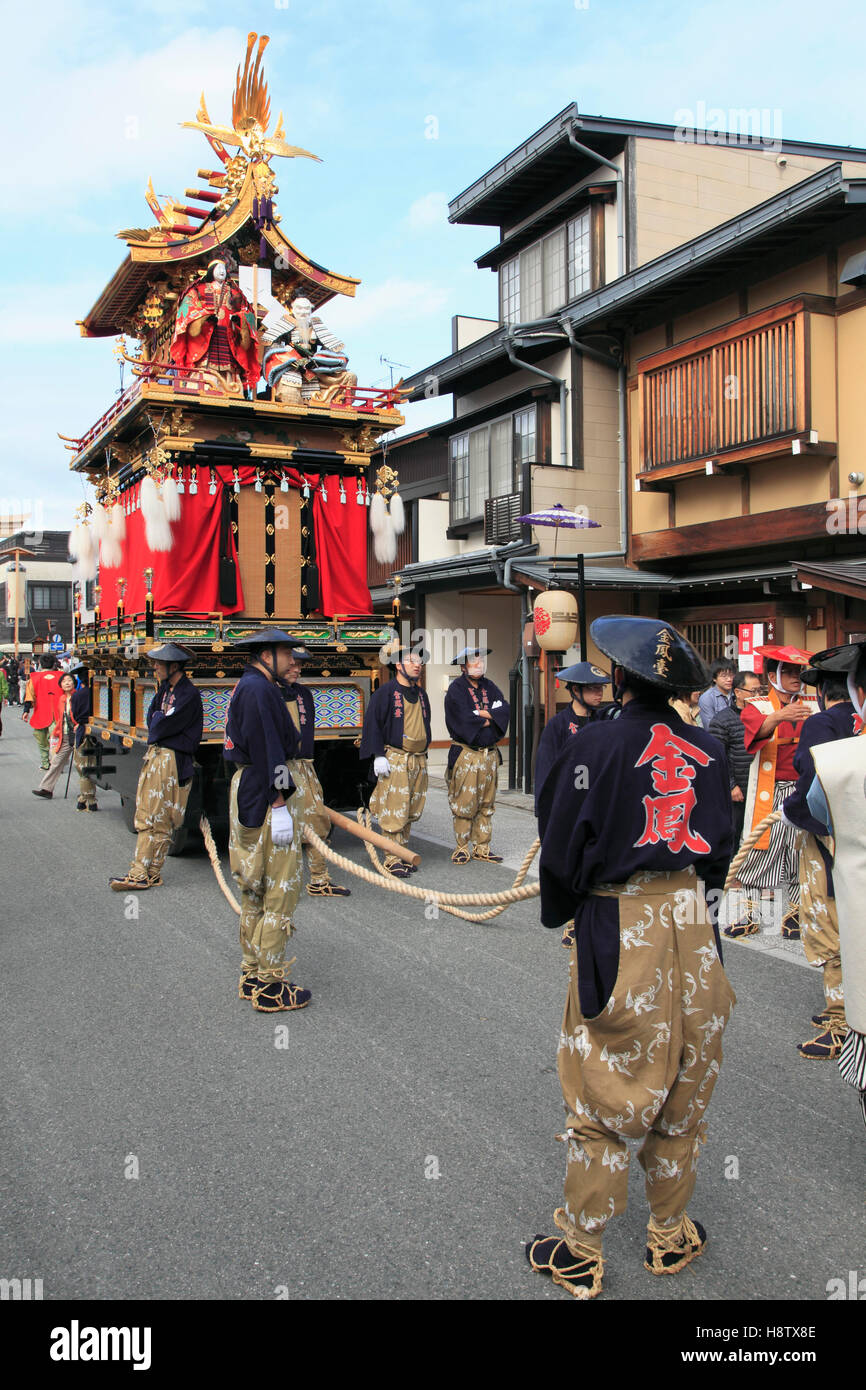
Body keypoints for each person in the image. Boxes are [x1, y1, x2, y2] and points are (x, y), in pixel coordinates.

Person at [527, 616, 735, 1300]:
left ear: (617, 677)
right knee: (684, 1073)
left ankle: (583, 1247)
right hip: (692, 919)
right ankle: (669, 1234)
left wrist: (565, 910)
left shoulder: (595, 744)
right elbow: (723, 845)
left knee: (606, 1080)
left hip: (621, 917)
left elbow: (559, 847)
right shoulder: (706, 746)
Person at [224, 629, 309, 1012]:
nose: (293, 661)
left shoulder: (251, 684)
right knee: (278, 890)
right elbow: (270, 751)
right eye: (286, 653)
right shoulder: (259, 690)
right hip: (264, 790)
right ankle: (270, 986)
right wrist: (279, 805)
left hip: (249, 786)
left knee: (254, 890)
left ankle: (251, 971)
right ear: (266, 654)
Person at [782, 664, 857, 1060]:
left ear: (826, 692)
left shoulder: (824, 724)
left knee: (829, 922)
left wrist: (795, 811)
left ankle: (843, 1021)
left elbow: (813, 779)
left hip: (832, 834)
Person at [807, 641, 866, 1129]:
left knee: (833, 934)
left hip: (852, 878)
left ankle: (839, 1020)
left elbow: (816, 809)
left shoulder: (839, 756)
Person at [724, 645, 817, 940]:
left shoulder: (814, 702)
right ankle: (750, 913)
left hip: (803, 787)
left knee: (799, 851)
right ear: (772, 674)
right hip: (771, 788)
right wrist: (781, 715)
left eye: (797, 671)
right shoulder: (760, 704)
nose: (794, 677)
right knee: (759, 850)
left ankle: (794, 914)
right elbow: (755, 732)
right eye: (787, 671)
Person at [109, 644, 203, 892]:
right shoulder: (166, 690)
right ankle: (146, 872)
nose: (154, 667)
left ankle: (143, 873)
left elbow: (160, 727)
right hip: (160, 756)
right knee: (150, 814)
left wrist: (160, 721)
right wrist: (160, 719)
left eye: (158, 664)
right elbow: (154, 720)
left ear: (174, 666)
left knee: (158, 817)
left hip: (171, 760)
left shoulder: (187, 694)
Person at [280, 644, 350, 897]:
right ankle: (277, 884)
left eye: (300, 665)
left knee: (316, 820)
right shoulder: (266, 693)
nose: (296, 669)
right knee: (277, 827)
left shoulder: (304, 695)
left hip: (304, 766)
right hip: (279, 767)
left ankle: (319, 879)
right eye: (292, 664)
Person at [359, 641, 431, 878]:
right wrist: (379, 755)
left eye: (419, 661)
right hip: (396, 759)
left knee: (410, 809)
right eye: (411, 661)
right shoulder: (385, 693)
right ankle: (391, 857)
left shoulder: (421, 694)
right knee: (394, 809)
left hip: (417, 759)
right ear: (398, 665)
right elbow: (372, 725)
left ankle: (403, 852)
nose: (417, 665)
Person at [444, 647, 510, 864]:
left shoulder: (490, 687)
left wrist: (481, 714)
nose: (479, 665)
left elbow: (504, 710)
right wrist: (491, 715)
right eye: (473, 662)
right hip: (467, 753)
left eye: (480, 662)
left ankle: (482, 846)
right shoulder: (456, 689)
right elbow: (462, 719)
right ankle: (462, 847)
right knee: (465, 802)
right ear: (463, 667)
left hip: (489, 754)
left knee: (486, 803)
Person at [534, 662, 611, 813]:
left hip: (597, 800)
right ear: (576, 690)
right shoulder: (557, 724)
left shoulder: (603, 721)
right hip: (568, 800)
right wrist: (543, 809)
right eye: (593, 688)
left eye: (601, 687)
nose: (599, 693)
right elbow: (545, 767)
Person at [708, 670, 763, 848]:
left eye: (760, 691)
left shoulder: (765, 716)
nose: (757, 695)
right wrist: (731, 785)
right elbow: (718, 756)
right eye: (752, 691)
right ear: (738, 692)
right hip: (737, 789)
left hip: (760, 785)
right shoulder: (722, 720)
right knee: (734, 832)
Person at [31, 671, 79, 798]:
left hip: (79, 733)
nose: (67, 683)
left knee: (82, 764)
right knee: (56, 761)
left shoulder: (78, 697)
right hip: (66, 735)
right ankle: (47, 789)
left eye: (69, 680)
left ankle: (88, 793)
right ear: (61, 685)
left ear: (74, 683)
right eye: (64, 681)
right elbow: (60, 718)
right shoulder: (62, 699)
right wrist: (56, 732)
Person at [68, 662, 98, 811]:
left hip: (82, 730)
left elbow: (73, 715)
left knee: (83, 767)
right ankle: (85, 798)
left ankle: (88, 800)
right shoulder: (99, 692)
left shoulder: (76, 696)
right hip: (97, 730)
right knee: (91, 765)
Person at [25, 653, 62, 771]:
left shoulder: (34, 678)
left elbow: (29, 696)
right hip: (59, 713)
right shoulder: (62, 676)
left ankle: (45, 762)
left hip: (40, 713)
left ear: (40, 664)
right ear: (54, 663)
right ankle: (57, 764)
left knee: (41, 740)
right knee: (56, 740)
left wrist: (26, 711)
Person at [697, 658, 736, 730]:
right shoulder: (707, 698)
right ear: (714, 678)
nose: (729, 679)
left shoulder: (737, 693)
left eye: (731, 675)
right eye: (724, 676)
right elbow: (710, 727)